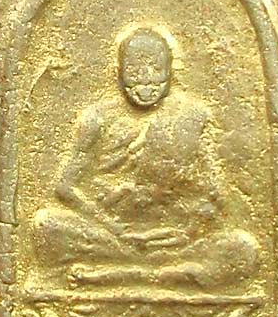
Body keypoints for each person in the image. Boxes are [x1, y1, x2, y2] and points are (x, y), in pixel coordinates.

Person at [34, 27, 258, 289]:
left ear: (171, 71)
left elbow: (217, 195)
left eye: (156, 71)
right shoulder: (98, 118)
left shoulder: (192, 117)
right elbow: (65, 188)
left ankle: (120, 273)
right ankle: (165, 273)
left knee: (242, 248)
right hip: (110, 233)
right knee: (46, 226)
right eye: (135, 72)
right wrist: (114, 226)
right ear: (117, 72)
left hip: (176, 238)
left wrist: (188, 231)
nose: (146, 82)